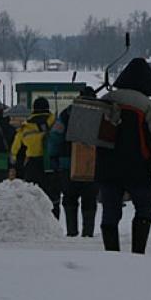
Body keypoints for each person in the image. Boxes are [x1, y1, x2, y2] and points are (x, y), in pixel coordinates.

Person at [96, 58, 151, 254]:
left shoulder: (105, 100)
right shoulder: (147, 106)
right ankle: (138, 254)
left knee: (110, 212)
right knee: (144, 208)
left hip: (107, 168)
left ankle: (111, 253)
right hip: (138, 169)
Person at [48, 88, 99, 237]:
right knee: (90, 199)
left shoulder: (67, 114)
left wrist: (53, 157)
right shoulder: (100, 114)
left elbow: (55, 136)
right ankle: (88, 233)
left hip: (67, 164)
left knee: (70, 198)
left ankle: (72, 232)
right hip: (92, 165)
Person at [10, 97, 59, 218]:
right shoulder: (55, 121)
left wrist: (14, 163)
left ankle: (35, 222)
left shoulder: (26, 127)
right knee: (53, 196)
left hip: (33, 165)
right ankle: (54, 222)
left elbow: (15, 149)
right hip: (51, 163)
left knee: (32, 195)